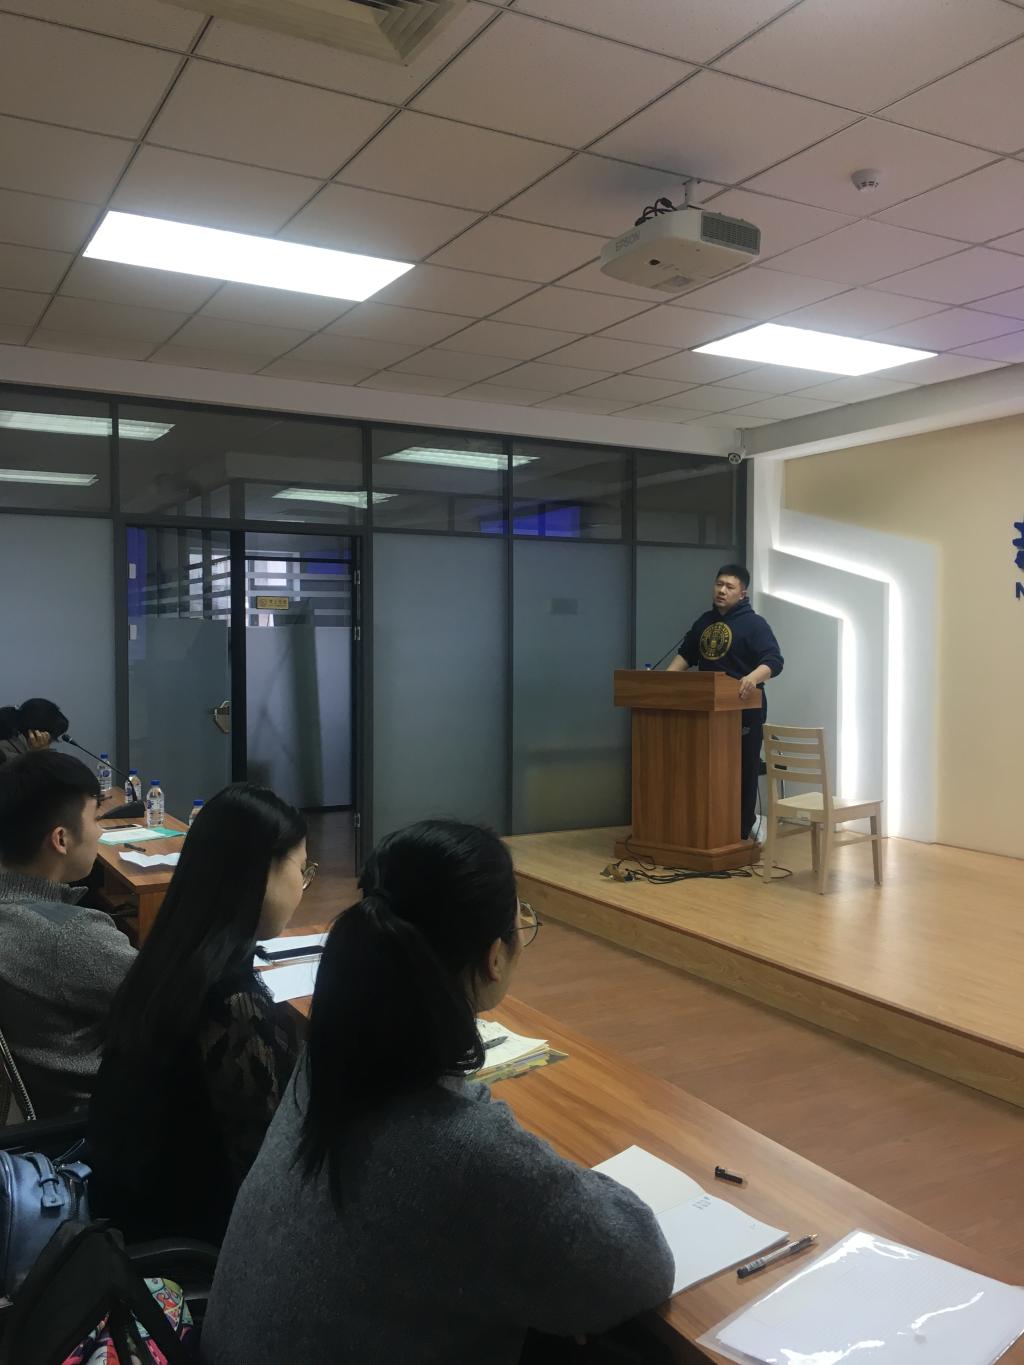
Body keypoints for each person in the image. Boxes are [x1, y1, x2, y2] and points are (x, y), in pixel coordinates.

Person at [202, 820, 675, 1365]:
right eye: (521, 919)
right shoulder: (463, 1149)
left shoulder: (329, 1062)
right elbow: (641, 1267)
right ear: (494, 955)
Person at [87, 783, 311, 1245]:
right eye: (301, 869)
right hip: (193, 1244)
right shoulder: (232, 1005)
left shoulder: (171, 959)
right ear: (260, 874)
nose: (303, 887)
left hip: (131, 1216)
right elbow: (268, 1173)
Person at [0, 750, 136, 1117]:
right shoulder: (71, 935)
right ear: (61, 839)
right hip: (100, 1121)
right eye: (95, 819)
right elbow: (177, 1002)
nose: (100, 831)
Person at [668, 564, 783, 841]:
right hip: (707, 708)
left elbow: (774, 661)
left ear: (743, 593)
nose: (721, 590)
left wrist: (752, 678)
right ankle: (707, 826)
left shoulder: (755, 624)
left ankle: (742, 829)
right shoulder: (704, 622)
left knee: (742, 769)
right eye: (719, 584)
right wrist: (665, 680)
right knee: (705, 767)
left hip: (743, 708)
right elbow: (687, 655)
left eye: (729, 587)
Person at [0, 698, 68, 763]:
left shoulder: (21, 739)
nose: (49, 744)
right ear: (38, 733)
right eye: (51, 739)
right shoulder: (4, 751)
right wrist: (39, 754)